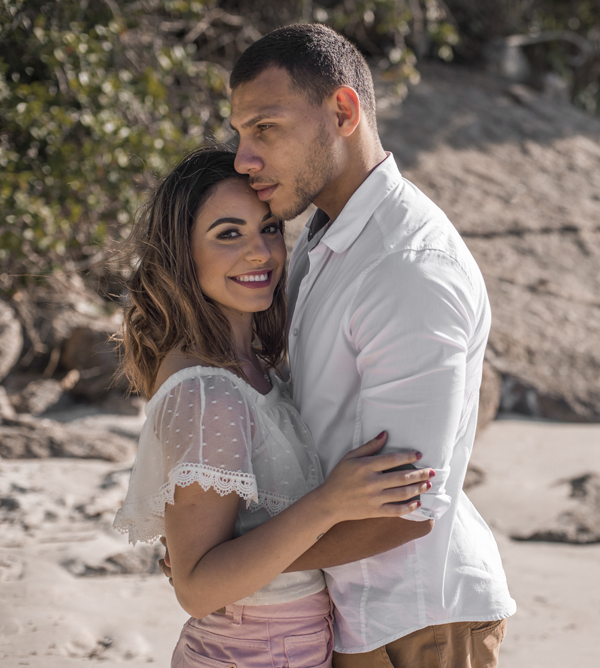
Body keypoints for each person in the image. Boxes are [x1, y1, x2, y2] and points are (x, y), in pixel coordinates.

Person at [226, 23, 516, 668]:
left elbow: (409, 510)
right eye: (240, 134)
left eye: (265, 129)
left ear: (343, 110)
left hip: (416, 620)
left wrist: (231, 565)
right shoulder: (325, 235)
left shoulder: (407, 266)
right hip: (354, 610)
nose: (244, 159)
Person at [112, 146, 435, 668]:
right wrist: (330, 503)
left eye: (267, 229)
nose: (260, 252)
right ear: (182, 253)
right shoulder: (207, 393)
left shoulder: (254, 368)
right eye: (227, 234)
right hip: (248, 651)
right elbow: (196, 589)